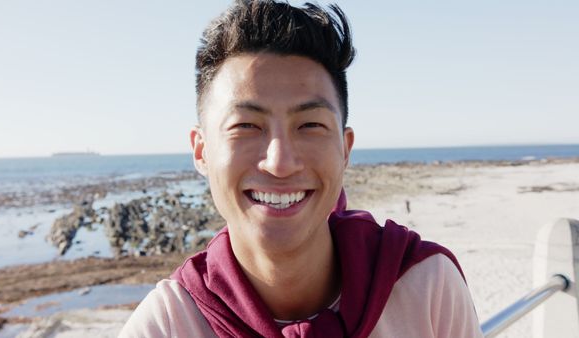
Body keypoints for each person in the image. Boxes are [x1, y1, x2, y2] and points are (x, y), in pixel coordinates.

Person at [120, 1, 483, 337]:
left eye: (310, 126)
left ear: (344, 148)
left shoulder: (425, 287)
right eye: (245, 126)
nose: (279, 163)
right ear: (201, 151)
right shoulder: (169, 324)